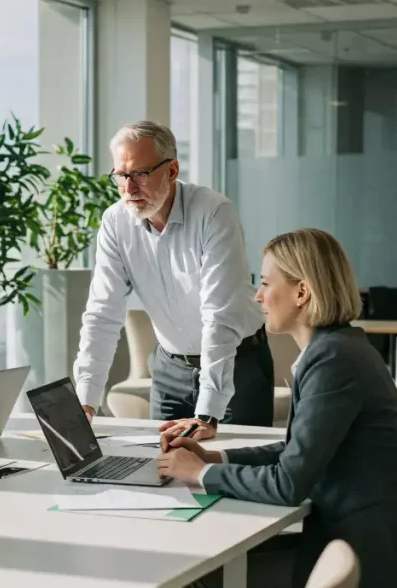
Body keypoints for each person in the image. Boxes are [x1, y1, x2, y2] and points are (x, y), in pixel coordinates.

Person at [157, 228, 397, 588]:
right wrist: (214, 460)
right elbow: (297, 451)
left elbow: (288, 483)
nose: (258, 296)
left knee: (200, 575)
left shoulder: (334, 360)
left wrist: (198, 474)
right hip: (370, 538)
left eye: (265, 283)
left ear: (302, 292)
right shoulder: (338, 348)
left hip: (374, 557)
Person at [73, 121, 271, 438]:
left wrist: (207, 413)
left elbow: (220, 315)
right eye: (121, 176)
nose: (129, 188)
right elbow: (102, 314)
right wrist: (86, 400)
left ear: (172, 169)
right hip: (169, 369)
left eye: (139, 174)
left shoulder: (214, 212)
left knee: (234, 472)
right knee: (160, 468)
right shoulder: (114, 222)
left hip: (237, 362)